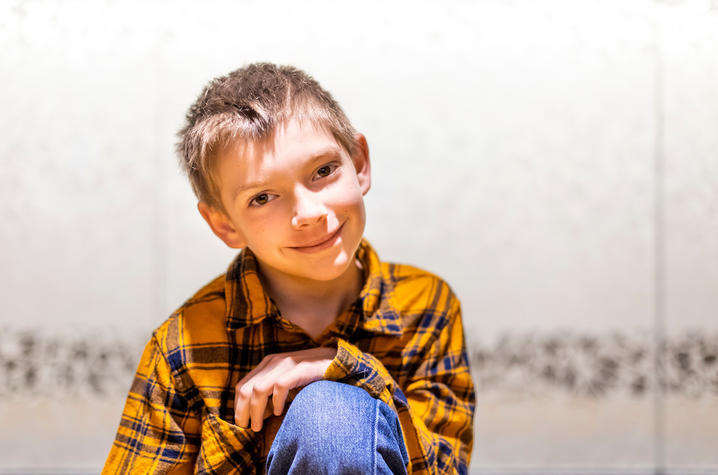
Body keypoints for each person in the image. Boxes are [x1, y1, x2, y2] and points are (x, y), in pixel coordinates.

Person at [103, 63, 475, 474]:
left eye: (322, 171)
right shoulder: (183, 346)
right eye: (263, 197)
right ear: (224, 224)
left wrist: (347, 368)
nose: (309, 213)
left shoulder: (425, 305)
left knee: (331, 416)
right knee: (329, 418)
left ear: (360, 163)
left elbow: (444, 468)